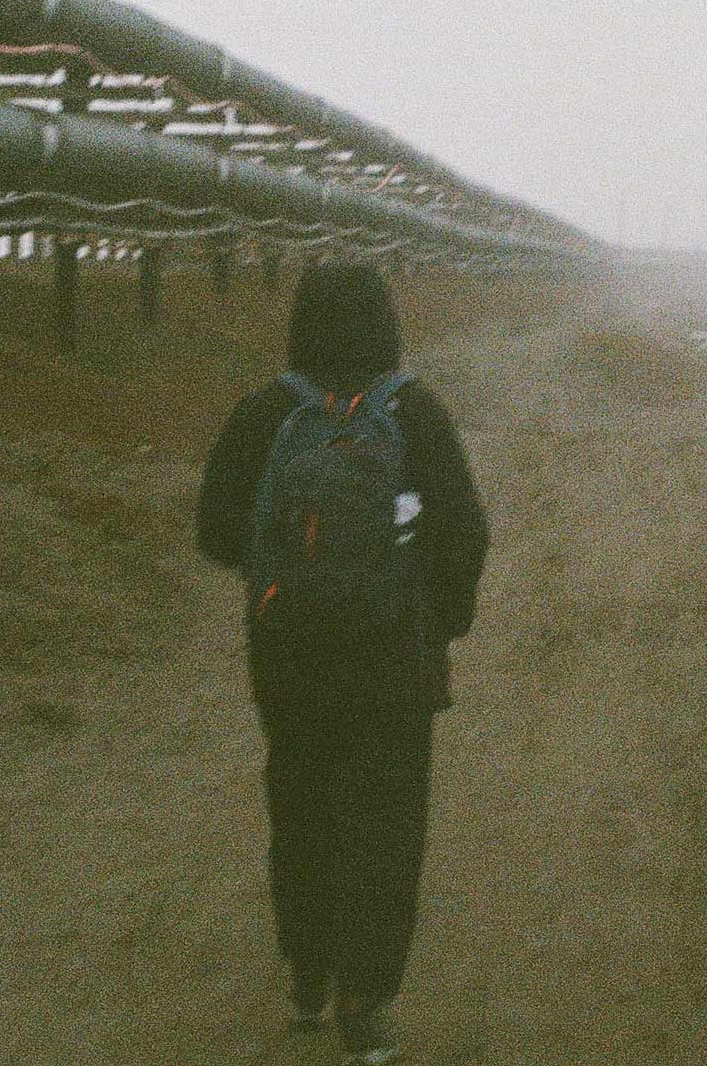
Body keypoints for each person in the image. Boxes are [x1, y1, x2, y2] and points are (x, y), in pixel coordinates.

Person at [197, 260, 489, 1066]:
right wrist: (442, 622)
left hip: (288, 655)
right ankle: (367, 1000)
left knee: (301, 803)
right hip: (393, 657)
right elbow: (463, 531)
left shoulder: (265, 413)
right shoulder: (415, 413)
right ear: (387, 326)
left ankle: (307, 977)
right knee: (387, 822)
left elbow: (217, 529)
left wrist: (280, 578)